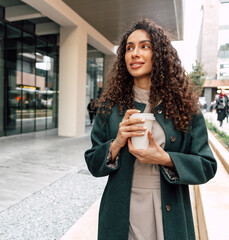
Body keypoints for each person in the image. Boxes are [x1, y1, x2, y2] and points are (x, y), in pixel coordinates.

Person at [84, 19, 217, 240]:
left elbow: (207, 165)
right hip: (121, 211)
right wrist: (116, 143)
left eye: (145, 46)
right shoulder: (110, 107)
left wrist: (165, 158)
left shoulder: (185, 107)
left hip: (169, 209)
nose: (134, 53)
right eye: (129, 48)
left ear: (161, 56)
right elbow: (93, 163)